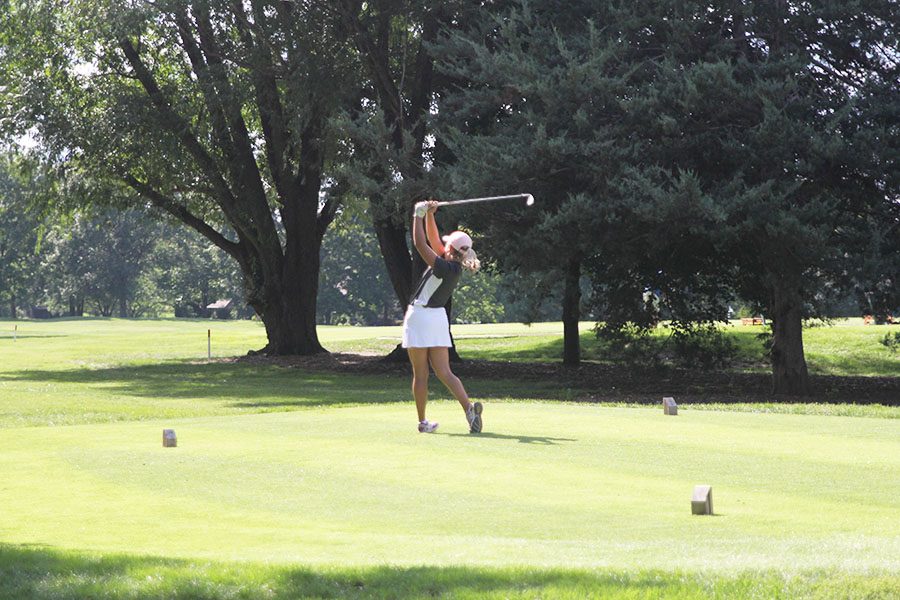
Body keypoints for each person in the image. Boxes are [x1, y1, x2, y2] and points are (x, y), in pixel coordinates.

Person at [403, 199, 483, 434]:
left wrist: (417, 214)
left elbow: (420, 243)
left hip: (419, 317)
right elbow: (434, 241)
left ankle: (423, 422)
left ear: (451, 251)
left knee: (421, 374)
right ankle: (468, 409)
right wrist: (430, 214)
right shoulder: (453, 264)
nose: (442, 245)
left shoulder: (443, 266)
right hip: (438, 319)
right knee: (445, 372)